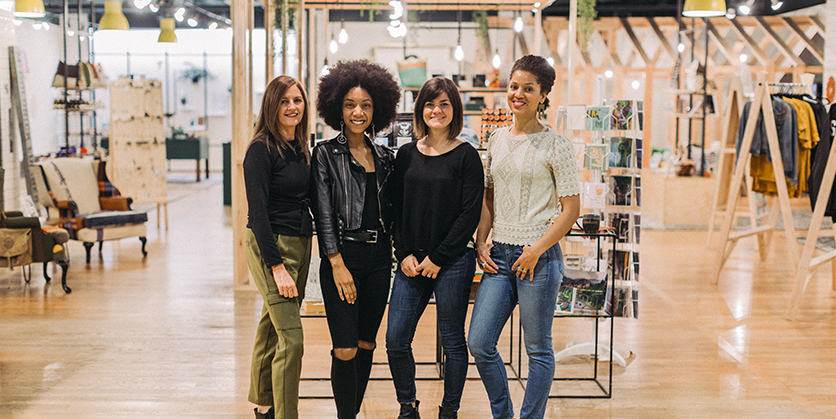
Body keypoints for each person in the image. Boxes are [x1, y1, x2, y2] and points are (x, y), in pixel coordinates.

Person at [467, 55, 581, 419]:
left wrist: (537, 249)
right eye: (514, 87)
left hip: (539, 259)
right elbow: (488, 196)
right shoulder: (497, 139)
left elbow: (570, 211)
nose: (518, 94)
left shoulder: (557, 146)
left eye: (528, 89)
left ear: (543, 94)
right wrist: (481, 241)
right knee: (480, 342)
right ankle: (503, 413)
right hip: (499, 255)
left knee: (538, 349)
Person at [386, 77, 485, 419]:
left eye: (444, 104)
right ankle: (408, 405)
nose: (436, 110)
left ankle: (450, 410)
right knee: (396, 339)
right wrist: (405, 254)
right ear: (420, 109)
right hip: (412, 262)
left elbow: (469, 213)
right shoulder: (406, 154)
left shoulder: (467, 156)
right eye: (430, 104)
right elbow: (396, 210)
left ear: (454, 110)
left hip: (454, 261)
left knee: (453, 341)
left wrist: (438, 258)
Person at [311, 59, 401, 419]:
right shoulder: (324, 154)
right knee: (345, 347)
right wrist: (336, 263)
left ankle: (353, 411)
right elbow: (324, 214)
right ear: (337, 108)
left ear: (377, 107)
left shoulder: (386, 157)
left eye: (365, 105)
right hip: (342, 258)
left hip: (379, 260)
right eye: (350, 105)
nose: (358, 112)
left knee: (366, 345)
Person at [243, 75, 313, 419]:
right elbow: (257, 213)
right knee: (292, 339)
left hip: (299, 243)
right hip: (270, 245)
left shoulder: (300, 148)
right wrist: (276, 266)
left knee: (272, 326)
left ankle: (263, 405)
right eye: (284, 101)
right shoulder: (260, 149)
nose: (291, 107)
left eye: (297, 100)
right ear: (271, 105)